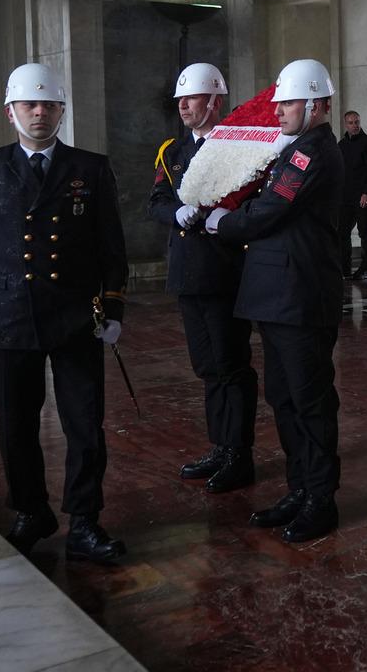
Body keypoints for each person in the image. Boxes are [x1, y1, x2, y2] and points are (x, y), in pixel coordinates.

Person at [0, 63, 129, 563]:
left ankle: (85, 521)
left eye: (49, 104)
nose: (39, 112)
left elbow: (111, 244)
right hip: (8, 316)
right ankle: (31, 511)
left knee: (84, 424)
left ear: (61, 111)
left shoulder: (91, 168)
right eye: (29, 104)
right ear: (10, 112)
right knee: (15, 425)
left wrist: (114, 305)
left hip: (75, 315)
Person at [205, 58, 345, 543]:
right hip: (278, 295)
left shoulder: (312, 153)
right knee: (284, 400)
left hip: (300, 296)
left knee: (311, 403)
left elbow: (272, 209)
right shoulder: (295, 148)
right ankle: (298, 489)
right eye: (279, 103)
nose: (278, 111)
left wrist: (223, 221)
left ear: (316, 105)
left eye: (288, 103)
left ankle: (320, 499)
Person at [148, 62, 258, 495]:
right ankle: (220, 445)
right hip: (188, 273)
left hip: (224, 270)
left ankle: (239, 454)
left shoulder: (239, 146)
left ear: (215, 101)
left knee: (231, 365)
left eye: (192, 98)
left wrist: (224, 216)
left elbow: (254, 204)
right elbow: (156, 200)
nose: (183, 106)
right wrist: (175, 211)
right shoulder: (173, 152)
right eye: (181, 99)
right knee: (208, 367)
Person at [338, 110, 367, 280]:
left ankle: (365, 268)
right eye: (351, 123)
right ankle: (344, 269)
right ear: (345, 124)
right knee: (342, 233)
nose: (354, 125)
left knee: (365, 233)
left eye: (356, 122)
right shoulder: (341, 145)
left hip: (363, 197)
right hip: (345, 198)